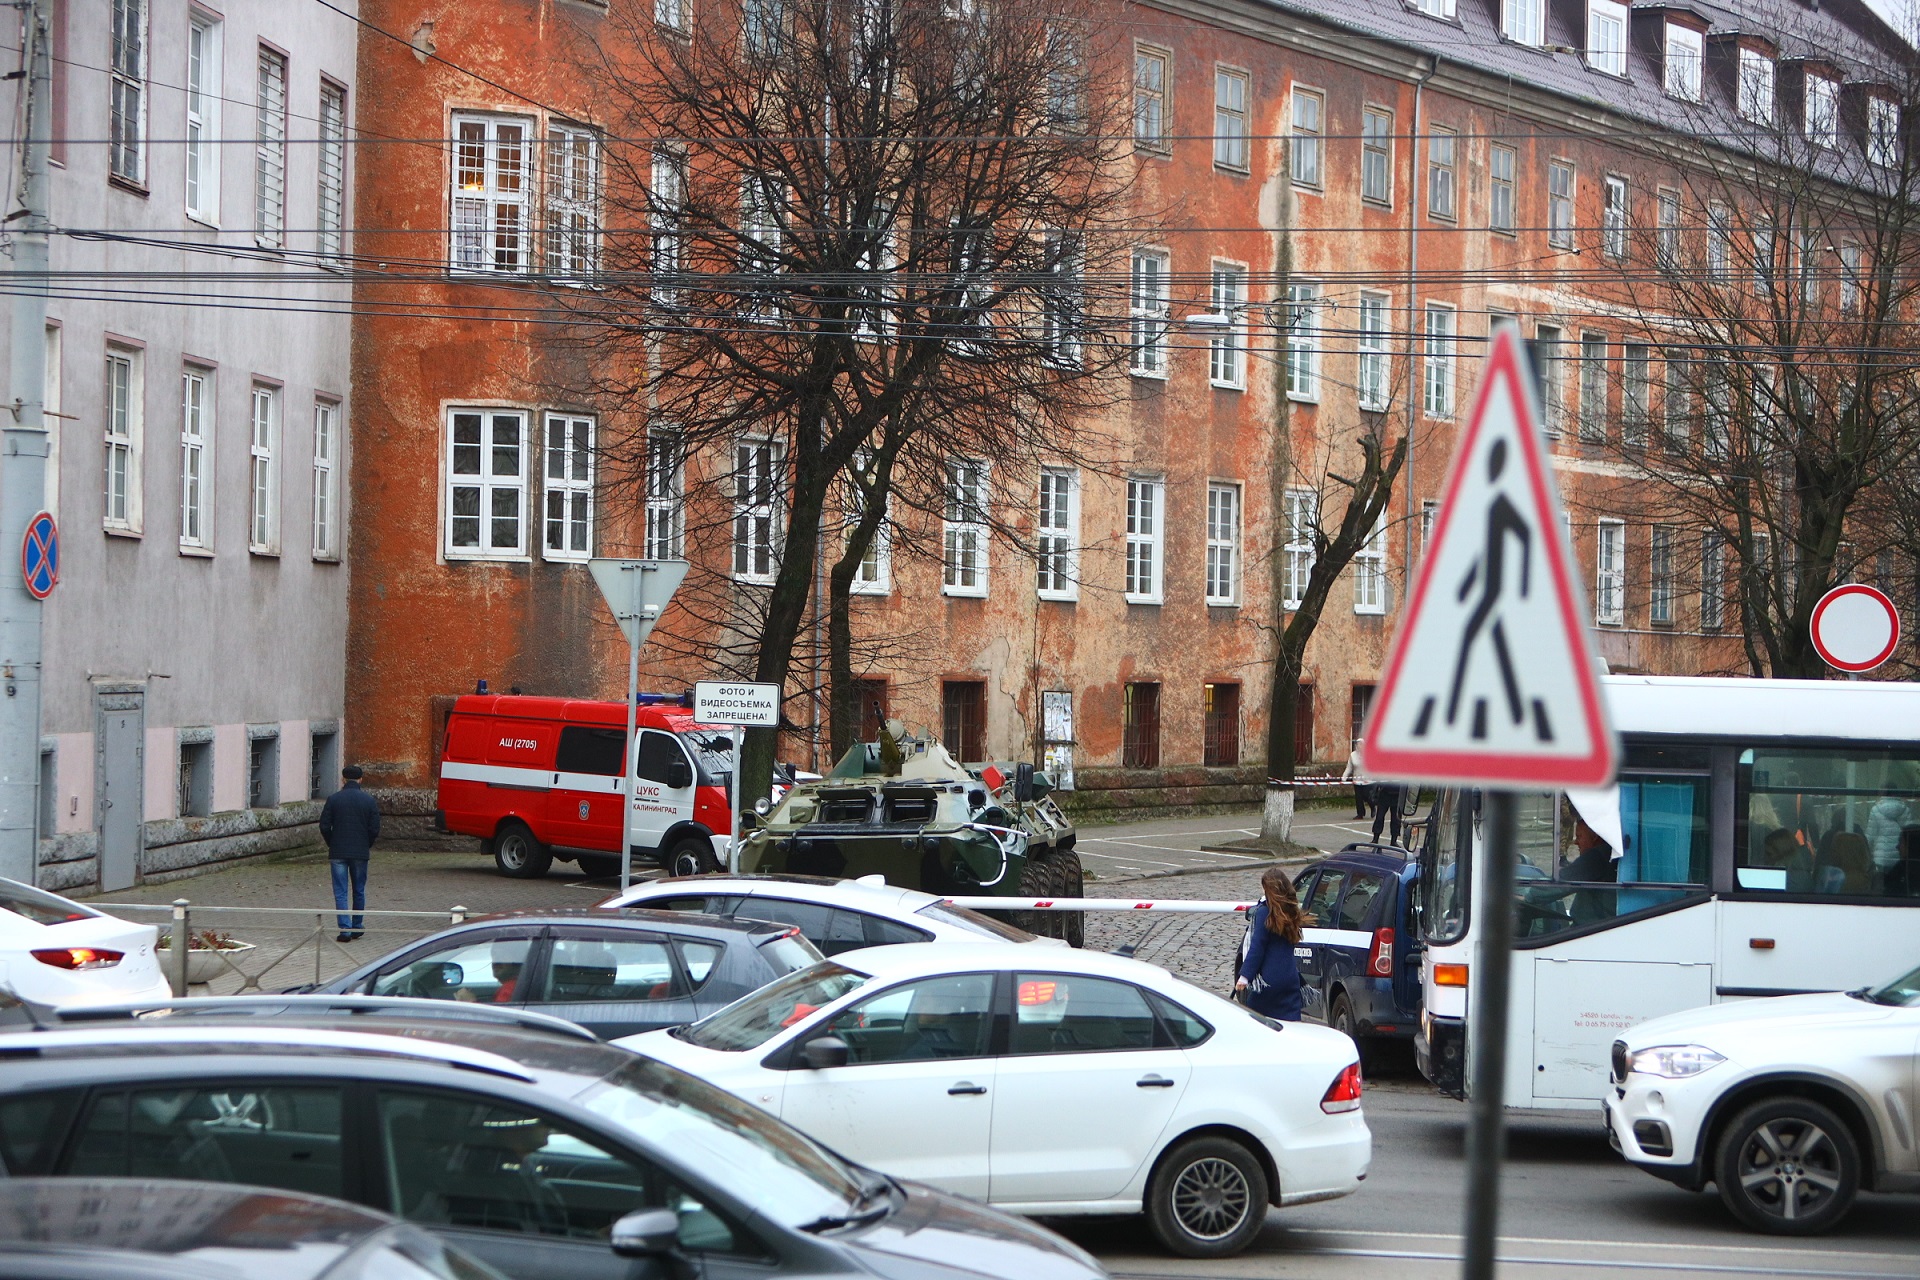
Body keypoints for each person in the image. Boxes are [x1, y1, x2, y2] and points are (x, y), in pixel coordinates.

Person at [1235, 867, 1309, 1021]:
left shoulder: (1264, 913)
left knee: (1256, 1022)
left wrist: (1244, 977)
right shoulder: (1291, 911)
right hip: (1290, 979)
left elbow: (1257, 947)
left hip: (1268, 981)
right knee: (1291, 1026)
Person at [319, 764, 381, 942]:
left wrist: (332, 842)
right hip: (360, 852)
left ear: (343, 779)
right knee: (359, 890)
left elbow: (324, 825)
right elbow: (374, 828)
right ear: (361, 779)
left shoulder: (334, 799)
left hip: (338, 851)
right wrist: (366, 844)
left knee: (340, 891)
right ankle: (357, 925)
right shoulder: (368, 801)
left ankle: (344, 929)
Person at [1342, 741, 1370, 820]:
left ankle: (1372, 806)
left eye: (1361, 744)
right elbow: (1349, 768)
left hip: (1367, 780)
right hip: (1357, 780)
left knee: (1367, 796)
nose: (1360, 746)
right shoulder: (1352, 755)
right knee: (1358, 797)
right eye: (1358, 744)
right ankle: (1360, 814)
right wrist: (1344, 777)